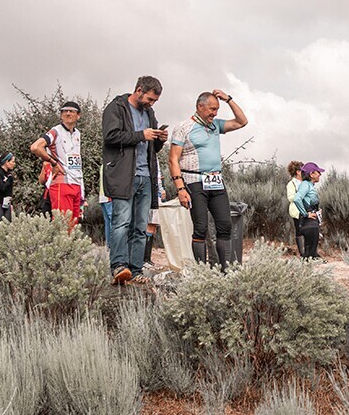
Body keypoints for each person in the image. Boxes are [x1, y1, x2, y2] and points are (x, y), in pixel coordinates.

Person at [168, 89, 248, 269]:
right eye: (212, 109)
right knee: (201, 228)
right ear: (200, 106)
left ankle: (225, 271)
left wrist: (228, 99)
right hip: (193, 181)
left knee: (225, 225)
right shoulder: (183, 127)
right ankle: (202, 273)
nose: (215, 113)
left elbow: (242, 121)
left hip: (215, 180)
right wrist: (180, 189)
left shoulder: (215, 125)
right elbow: (173, 159)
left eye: (217, 109)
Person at [102, 76, 168, 285]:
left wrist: (160, 140)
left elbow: (152, 147)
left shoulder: (149, 113)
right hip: (124, 176)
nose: (151, 104)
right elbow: (111, 136)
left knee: (140, 227)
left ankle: (136, 269)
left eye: (155, 101)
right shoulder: (116, 108)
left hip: (146, 177)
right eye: (150, 99)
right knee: (121, 223)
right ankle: (118, 266)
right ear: (139, 90)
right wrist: (141, 135)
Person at [30, 102, 85, 229]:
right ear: (61, 115)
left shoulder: (77, 134)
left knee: (73, 227)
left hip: (76, 184)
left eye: (71, 111)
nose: (68, 113)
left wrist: (82, 191)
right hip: (62, 183)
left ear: (78, 115)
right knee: (62, 227)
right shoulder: (56, 131)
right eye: (64, 111)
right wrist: (53, 163)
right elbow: (35, 147)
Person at [292, 163, 324, 259]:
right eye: (318, 172)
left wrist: (317, 211)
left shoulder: (309, 185)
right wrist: (306, 214)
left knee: (310, 253)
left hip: (311, 223)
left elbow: (307, 201)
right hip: (309, 223)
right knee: (309, 255)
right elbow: (297, 199)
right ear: (311, 174)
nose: (320, 174)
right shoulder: (305, 184)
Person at [285, 160, 303, 254]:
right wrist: (301, 195)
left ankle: (311, 252)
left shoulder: (306, 183)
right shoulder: (291, 184)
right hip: (298, 211)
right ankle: (303, 253)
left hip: (308, 210)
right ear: (298, 172)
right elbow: (290, 197)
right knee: (299, 231)